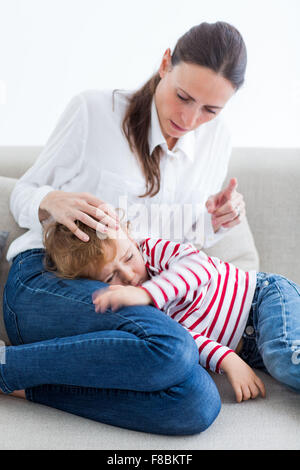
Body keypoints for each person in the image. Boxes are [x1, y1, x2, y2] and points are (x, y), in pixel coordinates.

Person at [2, 21, 252, 434]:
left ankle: (23, 383)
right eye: (183, 97)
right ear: (165, 64)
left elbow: (178, 247)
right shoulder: (94, 111)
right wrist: (49, 200)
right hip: (46, 281)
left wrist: (216, 222)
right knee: (174, 348)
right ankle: (7, 366)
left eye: (210, 110)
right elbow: (23, 192)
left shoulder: (217, 142)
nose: (190, 119)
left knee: (198, 403)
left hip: (134, 299)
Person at [42, 219, 300, 401]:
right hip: (251, 350)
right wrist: (226, 358)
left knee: (284, 357)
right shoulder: (130, 308)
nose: (130, 275)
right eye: (112, 278)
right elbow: (184, 339)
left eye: (129, 257)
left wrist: (146, 293)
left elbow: (201, 267)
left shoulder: (153, 252)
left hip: (262, 299)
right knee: (283, 362)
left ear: (132, 239)